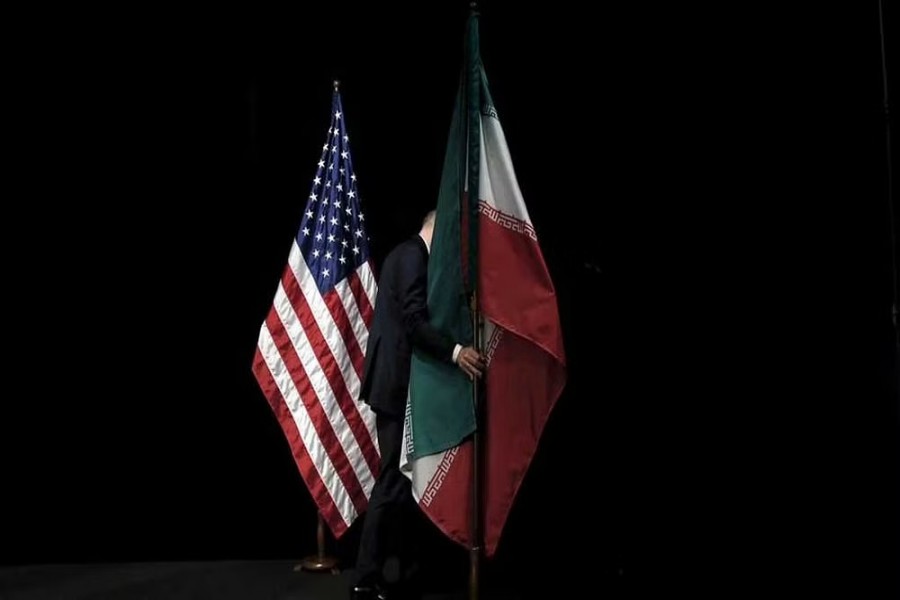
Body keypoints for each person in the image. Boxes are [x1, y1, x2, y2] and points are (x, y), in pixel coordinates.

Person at [351, 209, 485, 600]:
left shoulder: (407, 255)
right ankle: (364, 578)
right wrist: (457, 351)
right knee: (392, 481)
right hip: (394, 387)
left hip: (396, 385)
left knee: (399, 484)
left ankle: (395, 572)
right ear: (436, 229)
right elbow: (413, 322)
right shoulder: (413, 256)